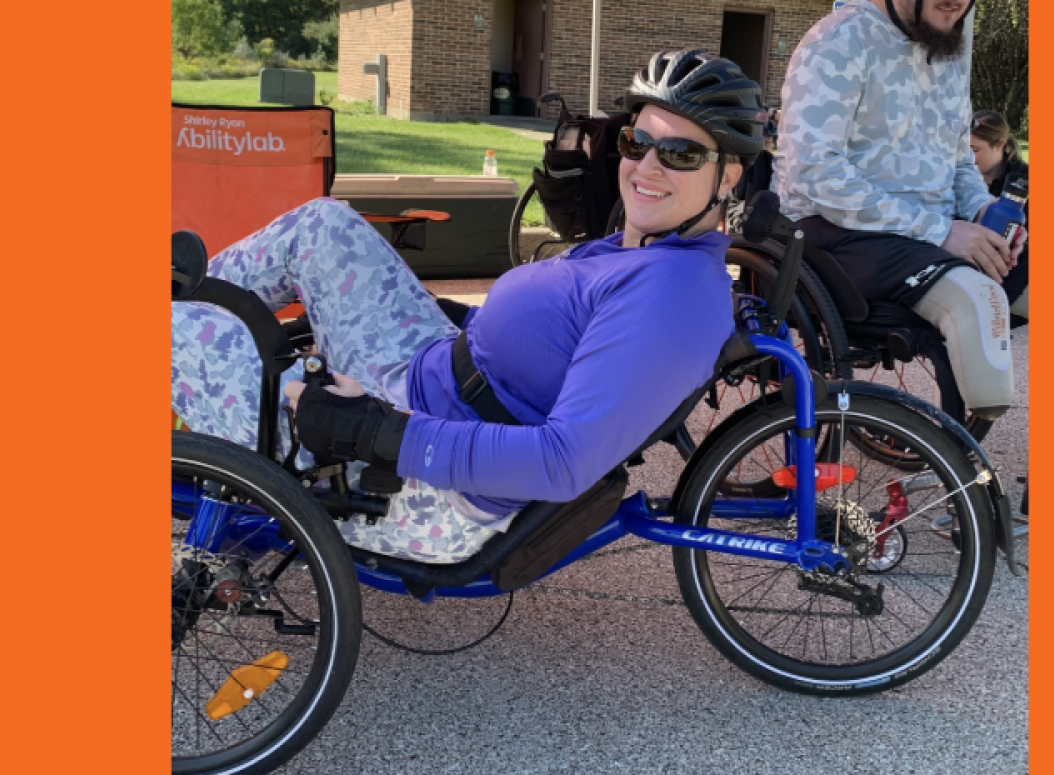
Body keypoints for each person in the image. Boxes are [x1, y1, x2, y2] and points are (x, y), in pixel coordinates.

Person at [172, 49, 765, 564]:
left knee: (169, 333)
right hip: (428, 372)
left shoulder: (673, 294)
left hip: (426, 483)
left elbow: (563, 463)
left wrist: (374, 431)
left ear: (728, 175)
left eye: (681, 154)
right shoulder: (646, 244)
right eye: (637, 142)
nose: (646, 166)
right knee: (323, 226)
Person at [771, 0, 1025, 420]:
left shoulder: (949, 43)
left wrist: (983, 212)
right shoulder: (839, 39)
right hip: (833, 228)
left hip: (928, 230)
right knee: (979, 301)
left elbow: (959, 159)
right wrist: (941, 231)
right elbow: (814, 172)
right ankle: (968, 481)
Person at [971, 109, 1028, 321]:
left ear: (1000, 145)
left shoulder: (1025, 184)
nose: (967, 158)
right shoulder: (955, 181)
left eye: (974, 150)